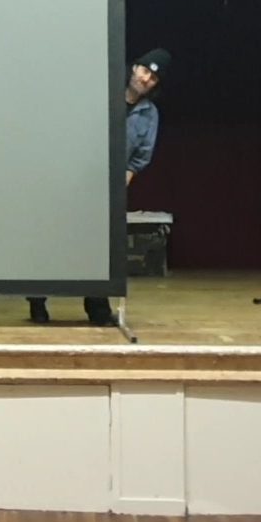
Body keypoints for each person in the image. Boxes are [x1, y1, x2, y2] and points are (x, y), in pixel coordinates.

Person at [29, 48, 169, 326]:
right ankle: (37, 300)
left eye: (153, 77)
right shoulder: (100, 93)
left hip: (107, 187)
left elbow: (140, 156)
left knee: (99, 247)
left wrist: (120, 186)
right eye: (144, 70)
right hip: (71, 179)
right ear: (134, 68)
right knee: (54, 241)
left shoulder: (148, 114)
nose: (146, 78)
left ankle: (97, 307)